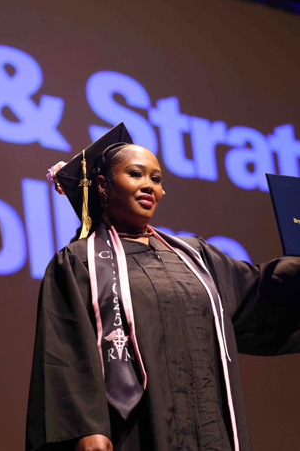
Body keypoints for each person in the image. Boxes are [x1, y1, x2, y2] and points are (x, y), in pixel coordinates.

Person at [26, 123, 300, 451]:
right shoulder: (79, 262)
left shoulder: (194, 255)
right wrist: (87, 428)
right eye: (136, 174)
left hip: (208, 427)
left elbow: (257, 292)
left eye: (156, 179)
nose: (149, 186)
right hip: (136, 430)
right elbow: (66, 350)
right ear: (103, 184)